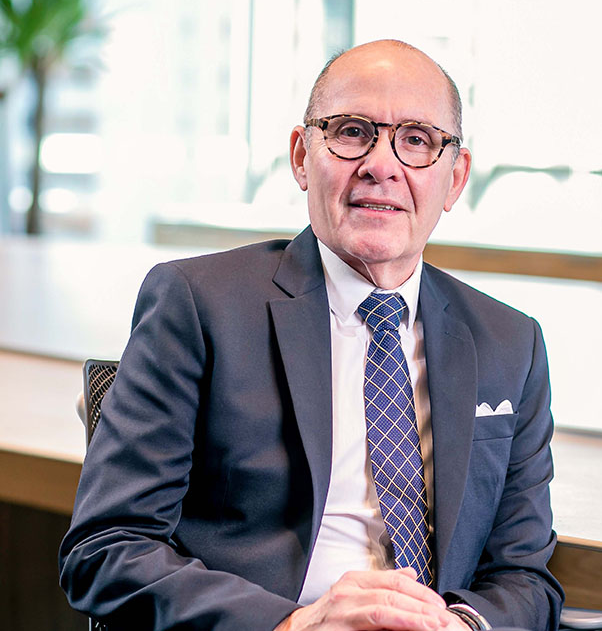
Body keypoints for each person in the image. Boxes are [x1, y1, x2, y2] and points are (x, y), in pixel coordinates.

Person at [59, 39, 564, 631]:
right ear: (302, 157)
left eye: (418, 140)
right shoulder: (197, 304)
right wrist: (296, 626)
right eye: (352, 132)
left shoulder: (511, 342)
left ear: (455, 178)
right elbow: (108, 549)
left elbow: (524, 577)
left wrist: (463, 626)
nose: (382, 164)